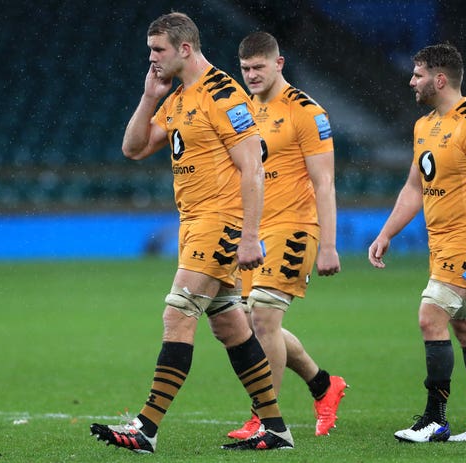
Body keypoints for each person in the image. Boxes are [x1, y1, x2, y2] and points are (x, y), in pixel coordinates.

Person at [89, 12, 294, 452]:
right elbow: (134, 148)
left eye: (158, 50)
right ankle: (276, 428)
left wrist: (250, 235)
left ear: (184, 48)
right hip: (193, 222)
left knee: (178, 311)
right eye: (150, 51)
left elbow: (253, 167)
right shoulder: (180, 97)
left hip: (220, 222)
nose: (152, 58)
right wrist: (148, 98)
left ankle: (145, 428)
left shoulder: (223, 94)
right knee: (230, 327)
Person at [368, 43, 466, 442]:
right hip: (441, 245)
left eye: (417, 74)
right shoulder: (424, 125)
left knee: (430, 316)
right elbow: (415, 186)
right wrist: (386, 233)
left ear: (440, 78)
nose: (411, 81)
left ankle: (435, 417)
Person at [223, 31, 347, 440]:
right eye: (245, 69)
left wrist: (328, 245)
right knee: (246, 322)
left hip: (295, 226)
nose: (251, 75)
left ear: (280, 63)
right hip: (253, 230)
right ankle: (323, 385)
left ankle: (265, 420)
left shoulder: (307, 112)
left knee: (262, 317)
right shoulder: (243, 109)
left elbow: (324, 181)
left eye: (259, 67)